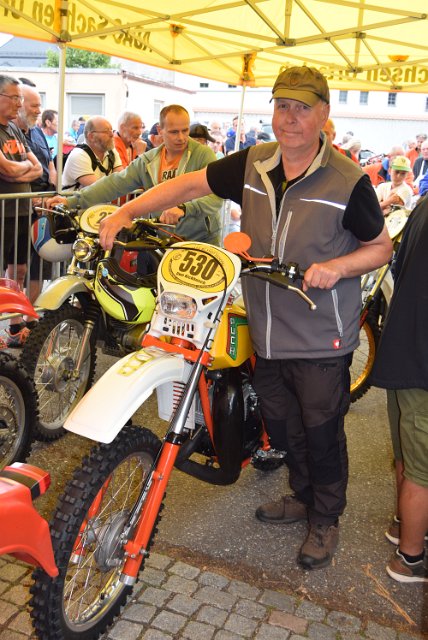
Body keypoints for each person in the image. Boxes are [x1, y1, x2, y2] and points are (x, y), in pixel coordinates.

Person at [98, 66, 392, 570]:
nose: (290, 118)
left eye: (303, 108)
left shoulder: (348, 180)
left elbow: (380, 247)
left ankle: (325, 518)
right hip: (267, 333)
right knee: (283, 426)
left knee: (321, 430)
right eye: (282, 106)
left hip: (322, 335)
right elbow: (186, 186)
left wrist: (337, 267)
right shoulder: (255, 163)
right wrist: (126, 212)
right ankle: (303, 495)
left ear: (323, 113)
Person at [48, 105, 223, 245]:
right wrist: (72, 201)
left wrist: (184, 208)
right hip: (162, 240)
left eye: (185, 130)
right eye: (174, 132)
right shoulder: (148, 160)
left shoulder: (203, 154)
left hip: (201, 240)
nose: (182, 137)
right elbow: (114, 183)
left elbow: (216, 196)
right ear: (160, 130)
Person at [370, 197, 428, 583]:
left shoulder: (423, 204)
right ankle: (410, 557)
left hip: (404, 347)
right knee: (423, 470)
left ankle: (402, 524)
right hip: (421, 360)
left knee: (407, 452)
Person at [0, 75, 42, 346]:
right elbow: (7, 168)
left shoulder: (14, 129)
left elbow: (37, 168)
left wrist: (19, 170)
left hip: (21, 210)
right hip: (3, 212)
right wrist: (20, 169)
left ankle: (15, 327)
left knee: (19, 270)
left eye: (20, 98)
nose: (19, 103)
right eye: (14, 98)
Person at [12, 83, 57, 306]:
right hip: (21, 208)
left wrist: (52, 191)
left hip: (44, 206)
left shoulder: (37, 131)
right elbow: (14, 173)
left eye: (40, 105)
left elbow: (48, 164)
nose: (39, 111)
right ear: (20, 105)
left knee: (40, 266)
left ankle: (30, 313)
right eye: (34, 106)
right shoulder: (11, 134)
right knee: (18, 267)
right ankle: (15, 317)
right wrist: (34, 198)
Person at [61, 116, 123, 190]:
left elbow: (121, 181)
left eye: (111, 130)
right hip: (77, 198)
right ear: (91, 136)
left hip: (101, 198)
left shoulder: (111, 152)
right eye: (106, 131)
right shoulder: (79, 155)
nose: (112, 134)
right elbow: (99, 189)